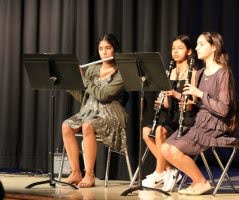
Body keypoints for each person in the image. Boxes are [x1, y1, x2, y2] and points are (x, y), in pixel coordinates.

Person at [161, 32, 238, 195]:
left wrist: (201, 94)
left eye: (201, 44)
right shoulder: (201, 72)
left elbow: (224, 109)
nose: (196, 48)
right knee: (166, 148)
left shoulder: (224, 73)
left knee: (173, 149)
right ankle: (197, 181)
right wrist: (188, 103)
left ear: (213, 47)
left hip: (216, 124)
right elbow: (199, 103)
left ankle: (201, 182)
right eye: (196, 44)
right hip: (199, 121)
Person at [61, 33, 127, 188]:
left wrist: (83, 79)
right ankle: (76, 172)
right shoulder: (92, 68)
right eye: (101, 49)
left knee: (88, 125)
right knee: (66, 126)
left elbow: (103, 95)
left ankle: (90, 174)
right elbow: (85, 96)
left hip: (110, 112)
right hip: (89, 110)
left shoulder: (121, 72)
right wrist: (69, 81)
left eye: (108, 48)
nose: (104, 52)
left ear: (115, 50)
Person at [142, 35, 198, 192]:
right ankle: (170, 170)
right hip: (170, 116)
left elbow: (192, 104)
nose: (175, 51)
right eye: (173, 48)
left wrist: (175, 94)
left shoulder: (193, 73)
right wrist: (163, 101)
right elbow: (167, 103)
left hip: (185, 118)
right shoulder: (169, 72)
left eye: (180, 48)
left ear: (189, 51)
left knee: (160, 131)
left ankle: (159, 172)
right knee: (146, 132)